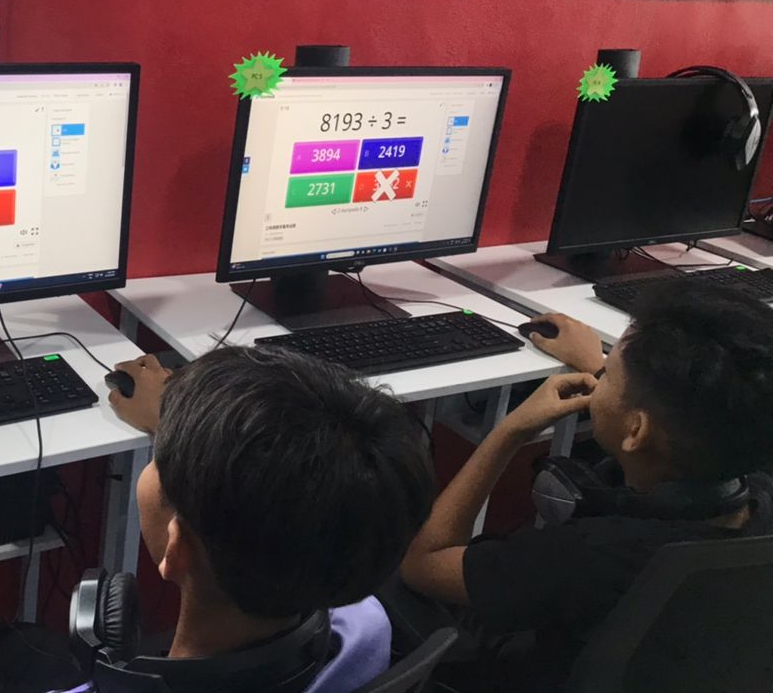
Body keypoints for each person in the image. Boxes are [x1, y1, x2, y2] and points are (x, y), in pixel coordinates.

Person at [394, 286, 773, 692]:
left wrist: (510, 430)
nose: (601, 374)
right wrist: (608, 375)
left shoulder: (590, 554)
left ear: (636, 430)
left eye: (610, 375)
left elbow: (422, 563)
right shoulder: (758, 494)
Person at [55, 346, 436, 692]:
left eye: (161, 464)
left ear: (177, 547)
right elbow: (300, 492)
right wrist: (184, 426)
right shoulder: (365, 631)